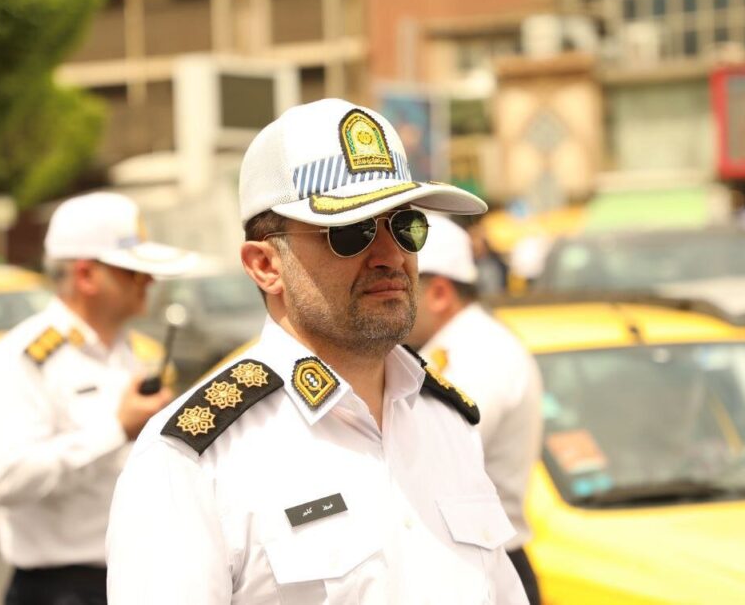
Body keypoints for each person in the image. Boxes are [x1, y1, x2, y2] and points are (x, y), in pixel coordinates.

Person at [106, 98, 528, 603]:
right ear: (266, 265)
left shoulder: (447, 421)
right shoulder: (192, 460)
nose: (391, 255)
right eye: (351, 232)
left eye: (405, 226)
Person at [0, 192, 196, 605]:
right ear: (86, 276)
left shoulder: (132, 351)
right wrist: (116, 429)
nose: (149, 282)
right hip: (63, 589)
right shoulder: (23, 357)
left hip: (137, 578)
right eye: (134, 272)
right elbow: (7, 478)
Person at [405, 213, 544, 604]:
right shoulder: (459, 347)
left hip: (487, 568)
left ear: (439, 293)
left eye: (400, 287)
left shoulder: (478, 354)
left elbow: (426, 461)